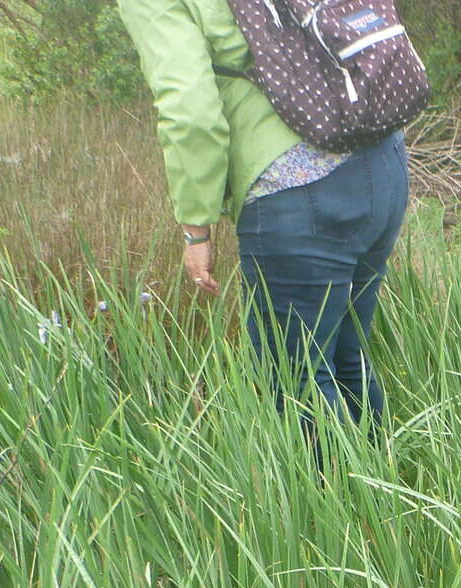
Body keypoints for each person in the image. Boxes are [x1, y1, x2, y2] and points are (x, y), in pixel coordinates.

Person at [118, 0, 410, 427]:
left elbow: (191, 111)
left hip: (297, 188)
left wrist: (195, 229)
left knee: (299, 383)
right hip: (382, 158)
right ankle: (380, 486)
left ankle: (333, 494)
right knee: (347, 356)